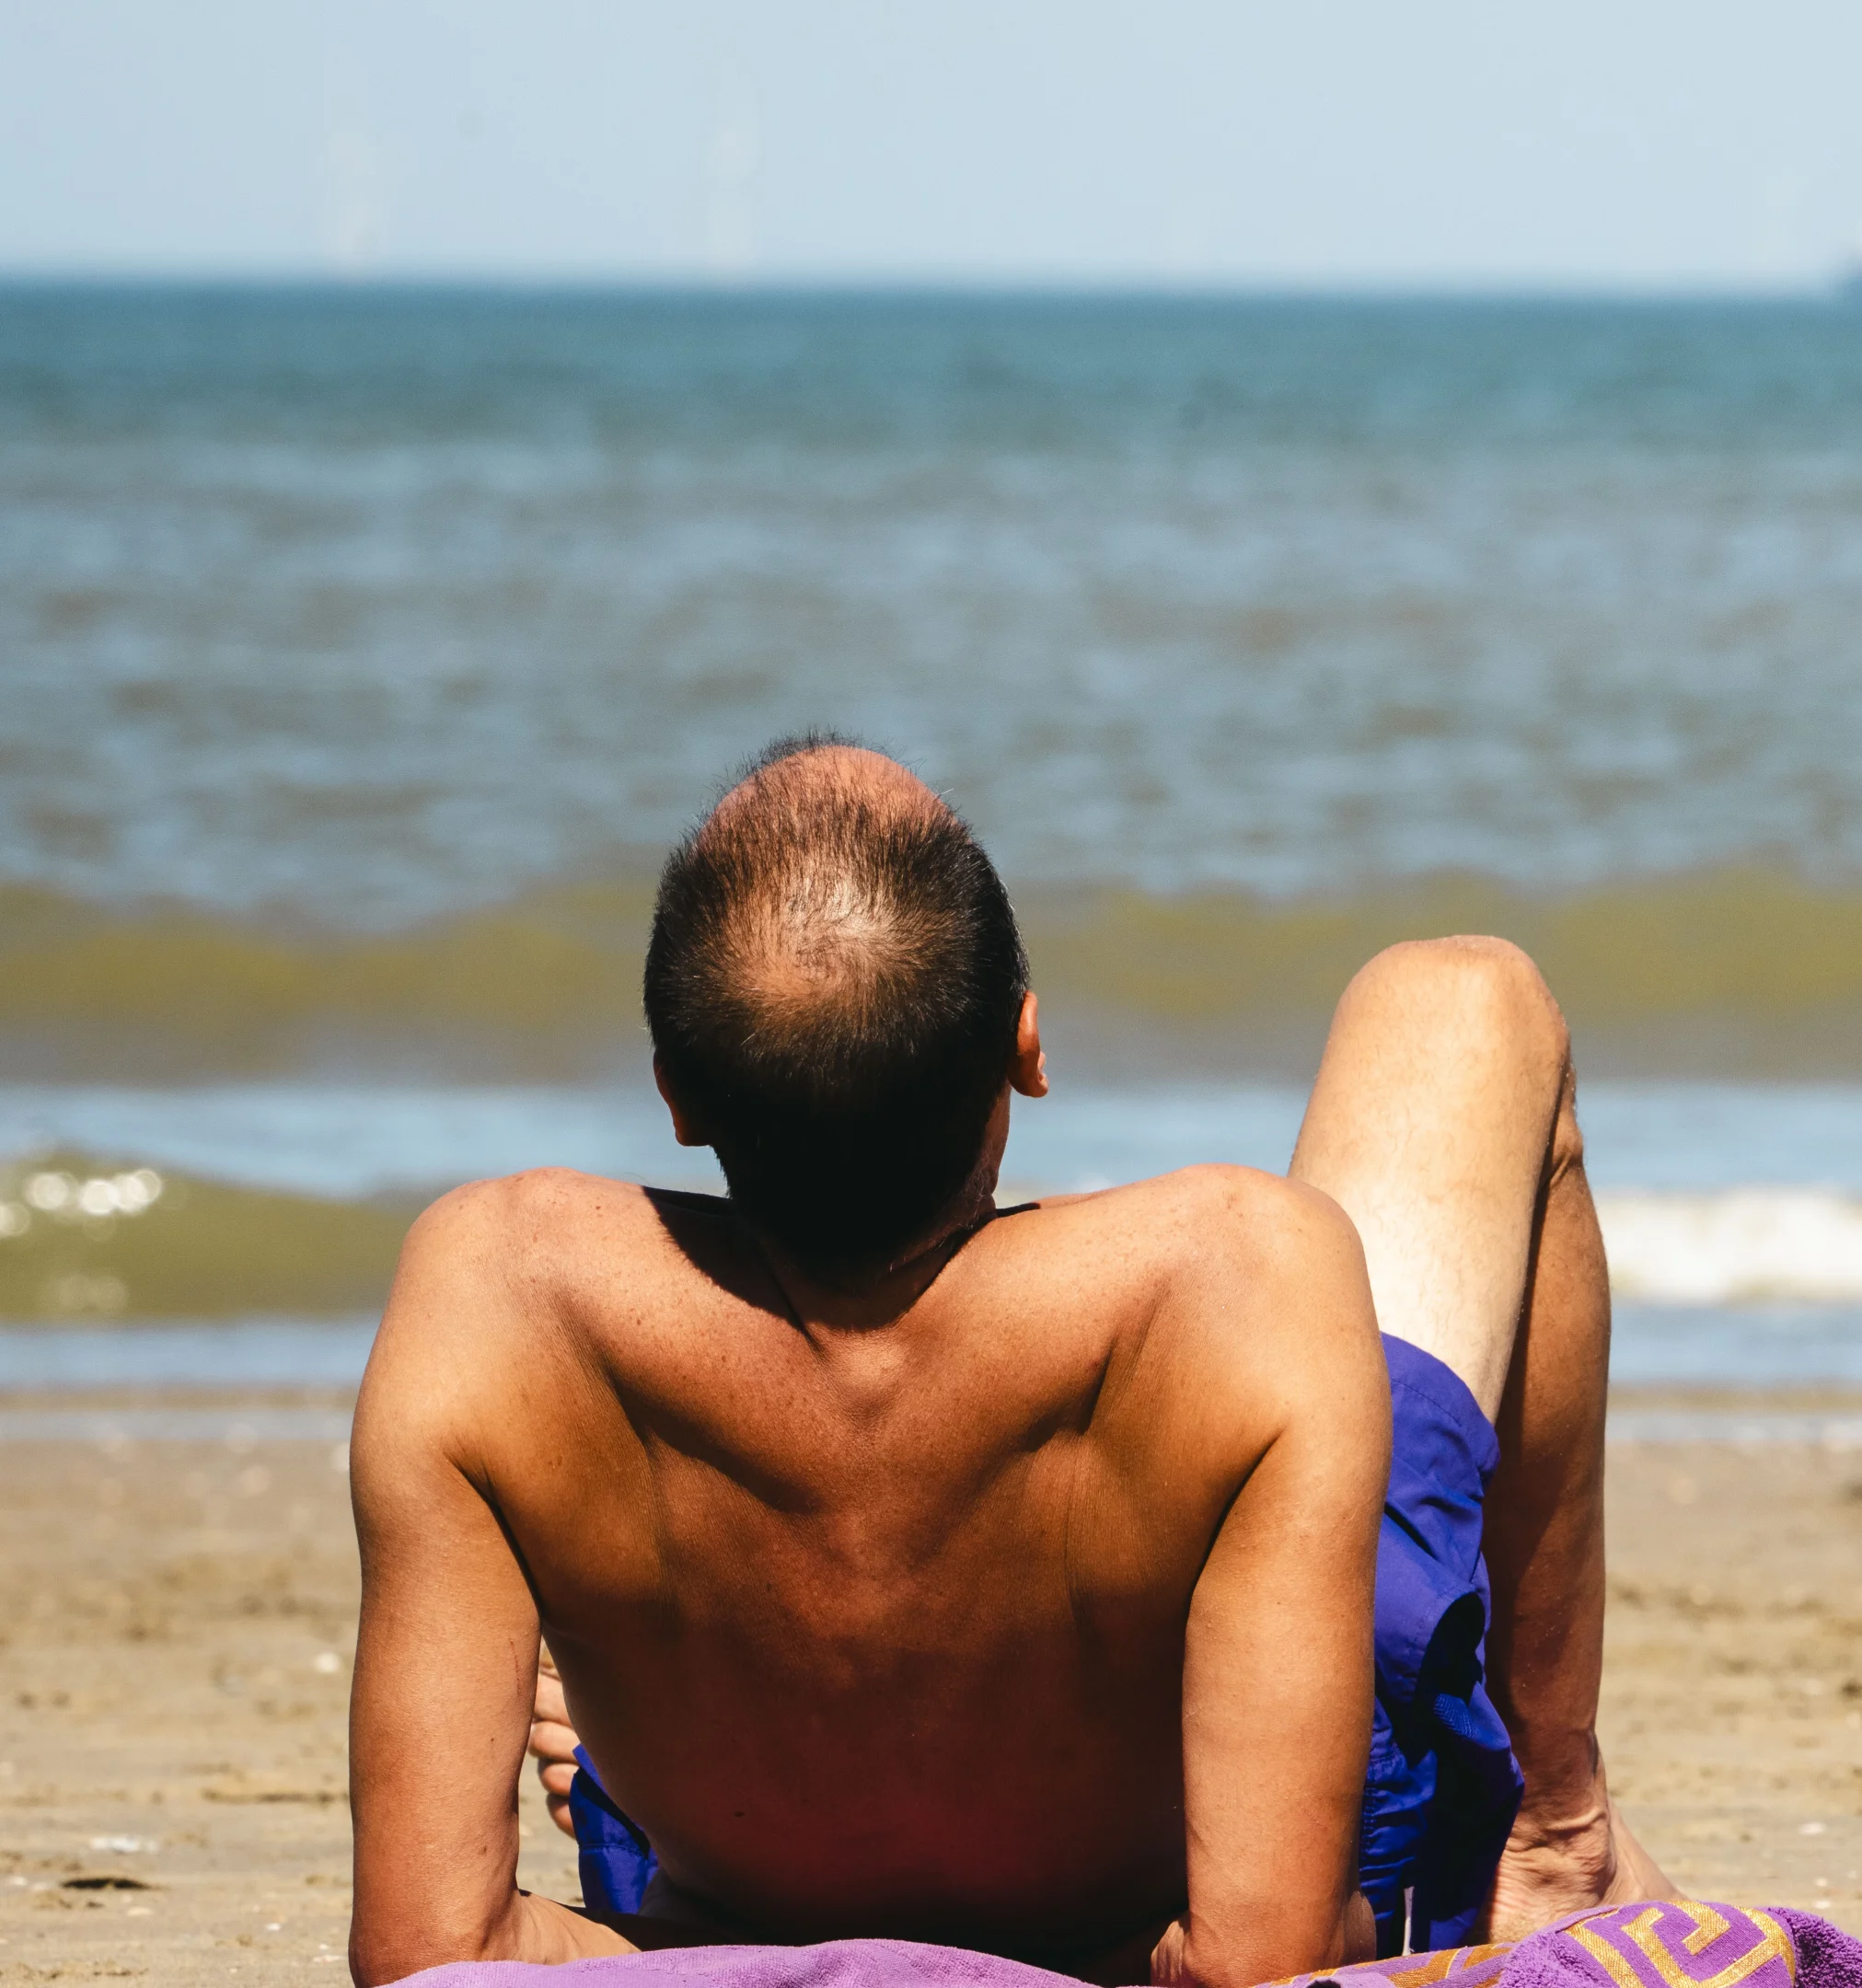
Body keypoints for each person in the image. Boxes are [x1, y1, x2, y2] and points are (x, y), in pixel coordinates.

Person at [347, 738, 1671, 1987]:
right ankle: (1552, 1840)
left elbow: (433, 1956)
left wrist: (747, 1950)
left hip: (734, 1877)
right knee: (1462, 996)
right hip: (1208, 1864)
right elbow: (1266, 1960)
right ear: (1026, 1048)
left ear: (677, 1095)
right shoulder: (1232, 1268)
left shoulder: (499, 1286)